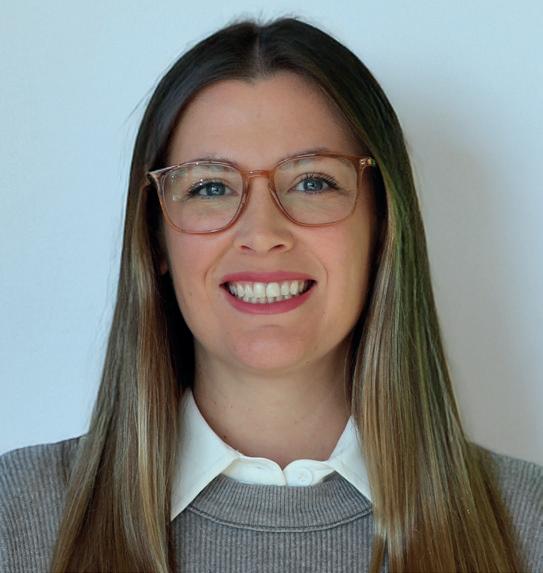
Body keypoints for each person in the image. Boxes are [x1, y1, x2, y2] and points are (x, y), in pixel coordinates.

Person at [0, 15, 541, 573]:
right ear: (155, 237)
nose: (261, 234)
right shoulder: (15, 517)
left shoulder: (531, 524)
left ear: (383, 227)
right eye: (211, 186)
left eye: (313, 182)